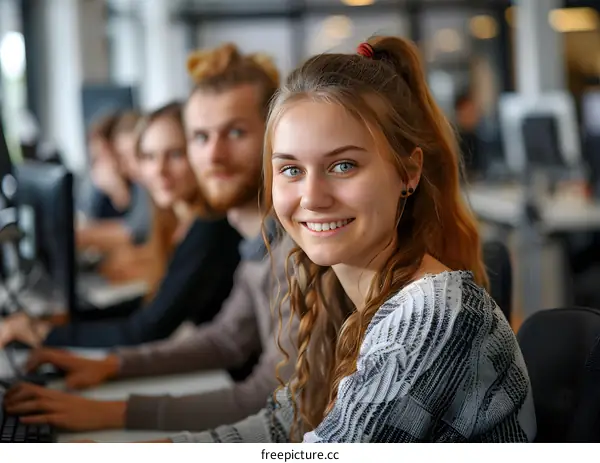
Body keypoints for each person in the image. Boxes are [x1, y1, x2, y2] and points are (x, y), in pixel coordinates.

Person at [150, 36, 533, 443]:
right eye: (292, 170)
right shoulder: (334, 291)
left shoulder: (431, 316)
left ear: (408, 172)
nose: (312, 197)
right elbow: (287, 424)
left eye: (343, 165)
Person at [2, 44, 298, 435]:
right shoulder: (257, 244)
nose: (213, 155)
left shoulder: (297, 249)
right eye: (200, 137)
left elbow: (272, 396)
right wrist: (113, 366)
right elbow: (225, 339)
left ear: (277, 136)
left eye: (236, 132)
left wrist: (112, 412)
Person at [0, 101, 241, 348]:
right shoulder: (177, 223)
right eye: (148, 157)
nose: (159, 169)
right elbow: (151, 305)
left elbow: (146, 329)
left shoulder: (210, 227)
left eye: (176, 154)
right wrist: (67, 320)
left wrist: (43, 333)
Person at [77, 110, 152, 253]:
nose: (126, 167)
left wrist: (119, 191)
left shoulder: (147, 184)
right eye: (124, 157)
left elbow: (136, 231)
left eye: (138, 154)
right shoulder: (137, 182)